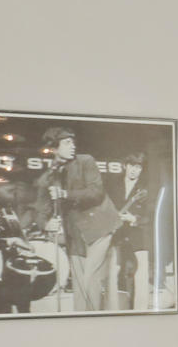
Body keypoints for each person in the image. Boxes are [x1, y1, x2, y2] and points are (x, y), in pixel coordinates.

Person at [45, 129, 126, 311]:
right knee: (80, 283)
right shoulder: (53, 171)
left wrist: (65, 194)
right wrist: (47, 221)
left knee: (91, 277)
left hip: (99, 225)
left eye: (73, 142)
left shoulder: (85, 161)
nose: (73, 146)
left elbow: (96, 192)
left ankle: (94, 320)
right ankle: (80, 320)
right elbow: (44, 201)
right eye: (67, 143)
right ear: (54, 148)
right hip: (75, 231)